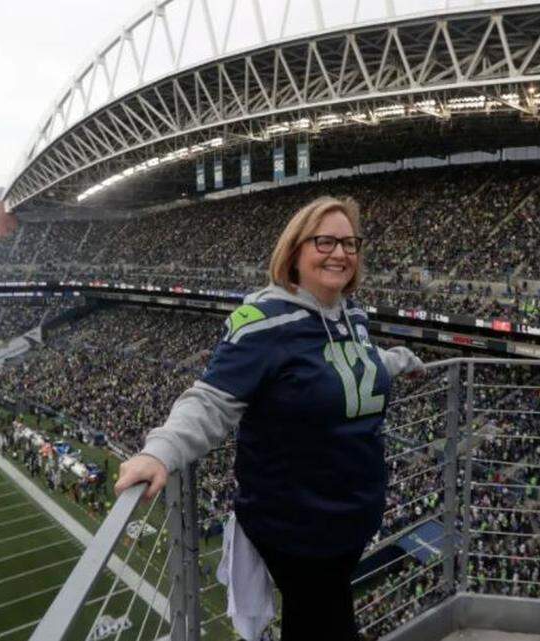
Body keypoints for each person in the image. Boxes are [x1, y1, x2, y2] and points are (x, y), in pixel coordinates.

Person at [114, 196, 423, 640]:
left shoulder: (352, 314)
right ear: (295, 250)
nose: (340, 253)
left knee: (318, 618)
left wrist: (398, 360)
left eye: (350, 243)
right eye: (325, 241)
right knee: (326, 622)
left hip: (352, 514)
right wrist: (160, 451)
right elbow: (211, 399)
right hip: (298, 521)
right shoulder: (262, 320)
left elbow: (356, 364)